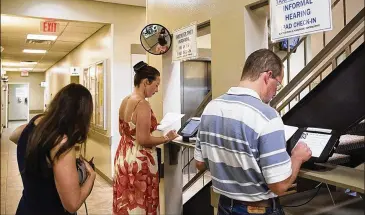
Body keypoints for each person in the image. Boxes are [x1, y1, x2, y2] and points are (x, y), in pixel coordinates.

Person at [194, 49, 312, 215]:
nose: (276, 91)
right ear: (267, 76)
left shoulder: (211, 107)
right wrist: (297, 157)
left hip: (225, 206)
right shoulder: (267, 117)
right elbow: (279, 186)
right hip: (258, 209)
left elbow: (199, 164)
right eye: (277, 83)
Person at [9, 83, 96, 215]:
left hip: (26, 208)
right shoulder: (61, 143)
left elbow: (13, 136)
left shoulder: (36, 123)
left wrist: (40, 155)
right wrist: (91, 178)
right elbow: (72, 204)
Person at [113, 61, 179, 215]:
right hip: (139, 161)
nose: (157, 90)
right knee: (140, 202)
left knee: (126, 203)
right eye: (156, 85)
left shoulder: (126, 100)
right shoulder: (142, 104)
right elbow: (143, 139)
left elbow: (123, 130)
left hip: (123, 155)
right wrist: (166, 138)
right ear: (145, 82)